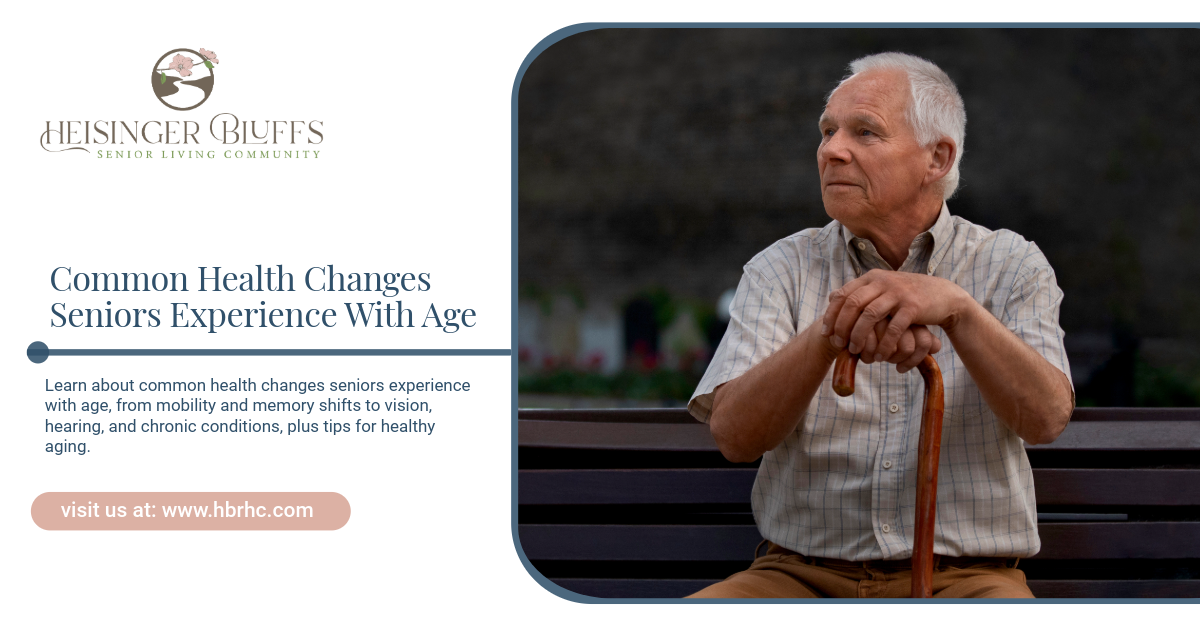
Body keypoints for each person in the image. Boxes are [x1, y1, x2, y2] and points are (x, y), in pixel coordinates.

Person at [686, 52, 1075, 599]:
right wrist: (831, 330)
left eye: (865, 132)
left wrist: (959, 310)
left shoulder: (1012, 264)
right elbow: (735, 438)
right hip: (797, 577)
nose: (831, 150)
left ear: (937, 158)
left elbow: (1046, 419)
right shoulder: (780, 268)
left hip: (969, 582)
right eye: (828, 131)